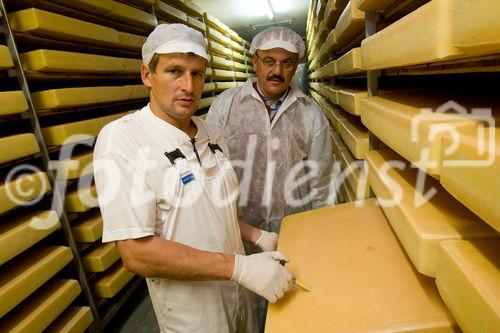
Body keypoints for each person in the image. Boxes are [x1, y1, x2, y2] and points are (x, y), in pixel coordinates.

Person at [93, 24, 293, 333]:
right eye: (175, 71)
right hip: (194, 314)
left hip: (239, 296)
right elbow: (136, 253)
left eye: (197, 73)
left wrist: (256, 236)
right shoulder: (124, 139)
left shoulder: (211, 133)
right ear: (147, 75)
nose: (189, 86)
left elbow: (211, 209)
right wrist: (237, 267)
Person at [207, 27, 334, 239]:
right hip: (239, 230)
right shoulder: (226, 104)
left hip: (294, 230)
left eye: (287, 63)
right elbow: (209, 169)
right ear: (254, 62)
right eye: (269, 61)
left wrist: (324, 230)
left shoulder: (310, 113)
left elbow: (321, 180)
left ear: (295, 67)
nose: (277, 71)